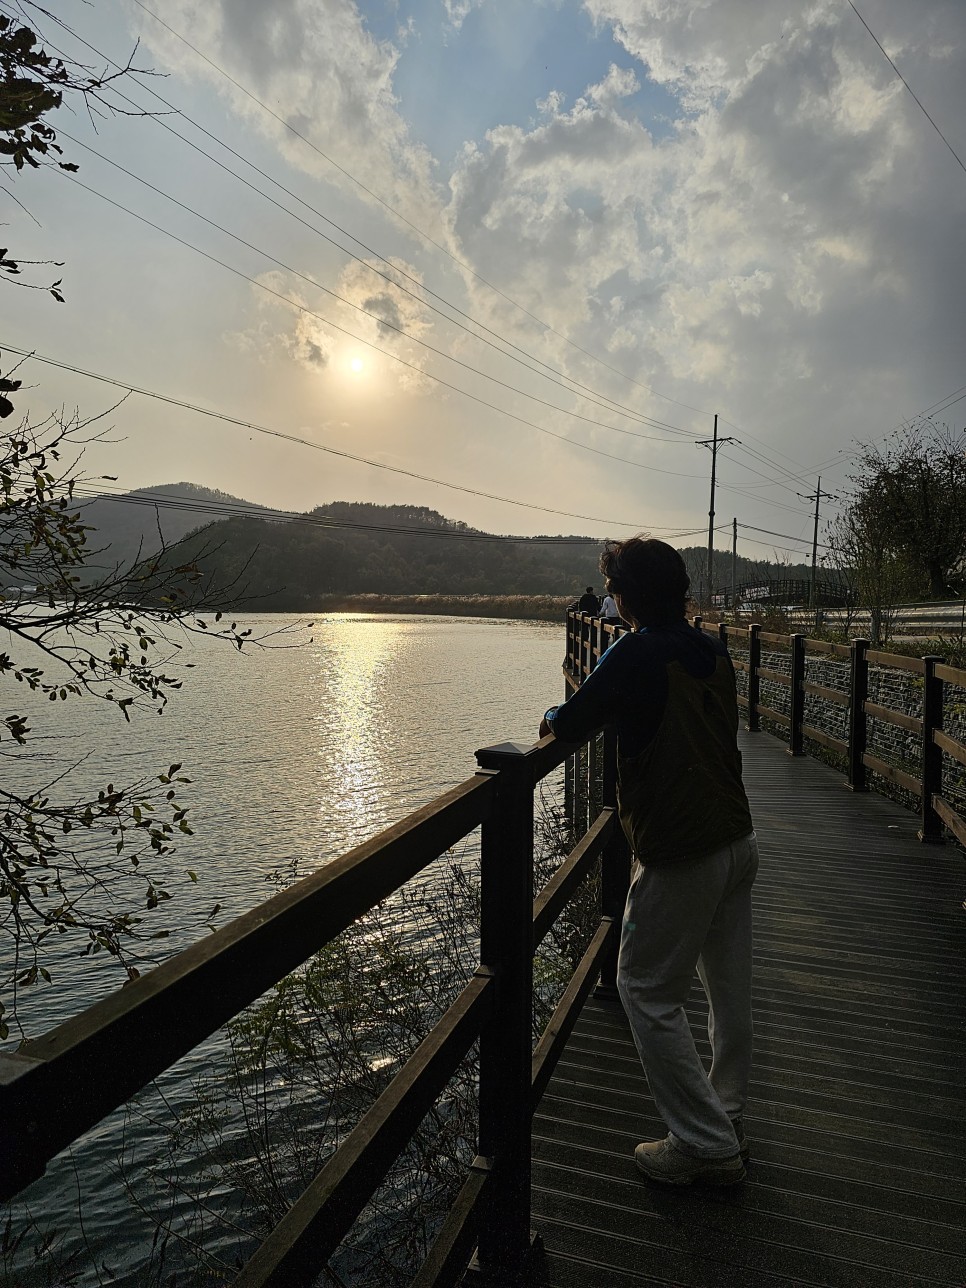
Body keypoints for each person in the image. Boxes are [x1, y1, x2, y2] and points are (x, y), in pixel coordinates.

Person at [539, 536, 756, 1186]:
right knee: (728, 988)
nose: (609, 598)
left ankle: (703, 1145)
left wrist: (552, 712)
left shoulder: (634, 650)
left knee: (642, 987)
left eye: (613, 588)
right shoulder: (713, 649)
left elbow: (572, 720)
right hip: (737, 839)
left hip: (682, 846)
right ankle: (727, 1114)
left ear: (625, 594)